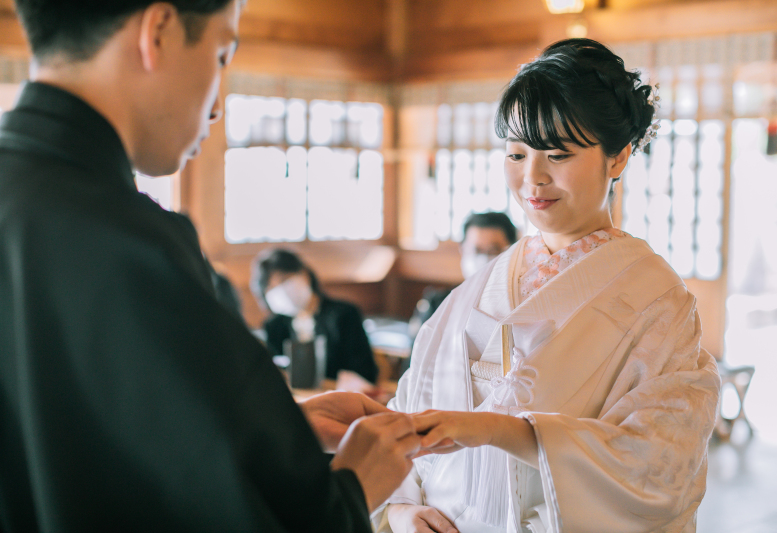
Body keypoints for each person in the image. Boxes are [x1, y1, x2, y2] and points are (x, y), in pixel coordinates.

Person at [0, 1, 420, 530]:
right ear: (159, 31)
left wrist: (272, 429)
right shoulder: (137, 245)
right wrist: (355, 485)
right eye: (221, 54)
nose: (217, 105)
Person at [375, 39, 720, 533]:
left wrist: (503, 430)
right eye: (516, 154)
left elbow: (660, 462)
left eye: (557, 153)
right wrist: (401, 508)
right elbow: (410, 406)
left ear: (618, 157)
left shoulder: (657, 299)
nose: (532, 178)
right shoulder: (483, 283)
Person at [251, 248, 380, 385]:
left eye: (284, 280)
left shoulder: (344, 315)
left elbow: (366, 373)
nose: (280, 291)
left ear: (304, 274)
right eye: (271, 287)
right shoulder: (274, 326)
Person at [408, 212, 518, 340]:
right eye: (476, 250)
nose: (483, 259)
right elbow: (417, 356)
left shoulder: (519, 308)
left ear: (512, 251)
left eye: (493, 251)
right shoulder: (439, 305)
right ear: (463, 249)